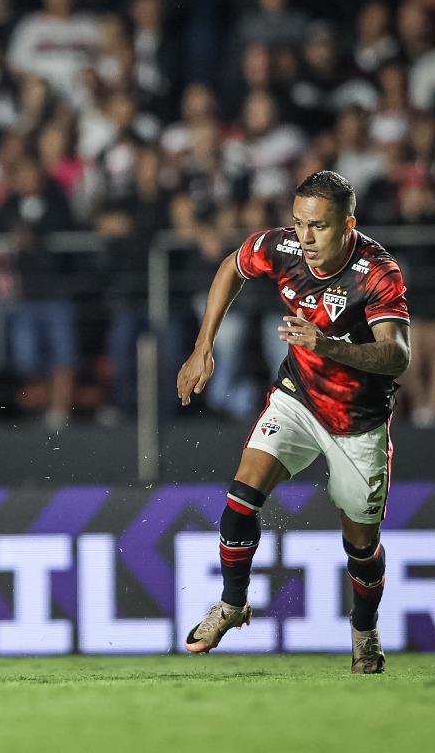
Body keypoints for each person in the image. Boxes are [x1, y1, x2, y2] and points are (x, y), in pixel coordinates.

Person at [176, 171, 410, 674]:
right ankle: (233, 605)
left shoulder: (376, 271)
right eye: (299, 223)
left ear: (348, 225)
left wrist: (324, 345)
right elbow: (230, 267)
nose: (304, 237)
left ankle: (365, 632)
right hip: (298, 400)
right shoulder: (281, 248)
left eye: (318, 227)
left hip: (357, 423)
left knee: (361, 548)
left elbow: (397, 355)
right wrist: (203, 347)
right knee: (242, 494)